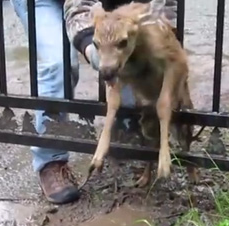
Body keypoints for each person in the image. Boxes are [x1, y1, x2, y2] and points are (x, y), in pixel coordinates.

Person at [11, 0, 177, 205]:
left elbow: (164, 7)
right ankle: (51, 161)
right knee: (58, 64)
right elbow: (79, 5)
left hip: (113, 9)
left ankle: (129, 144)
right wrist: (92, 47)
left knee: (131, 59)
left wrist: (158, 29)